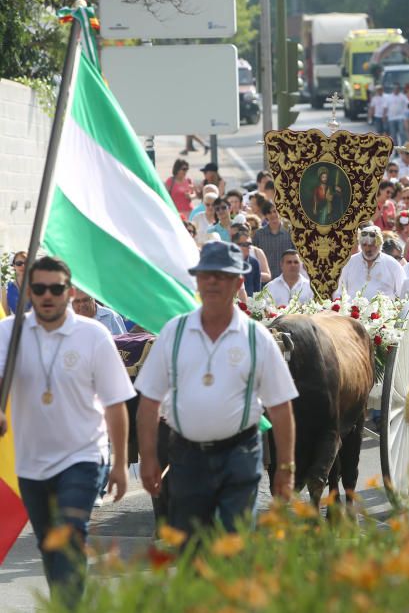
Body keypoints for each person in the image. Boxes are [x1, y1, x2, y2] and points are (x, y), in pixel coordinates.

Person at [136, 241, 298, 537]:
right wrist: (148, 457)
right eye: (206, 274)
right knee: (191, 545)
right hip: (186, 456)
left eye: (222, 275)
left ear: (238, 282)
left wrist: (286, 467)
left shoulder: (255, 337)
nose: (212, 281)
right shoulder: (174, 332)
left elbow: (280, 406)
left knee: (232, 546)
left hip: (240, 455)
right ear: (197, 280)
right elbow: (148, 401)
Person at [0, 256, 133, 607]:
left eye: (56, 288)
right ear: (28, 291)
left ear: (69, 291)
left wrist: (119, 463)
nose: (47, 295)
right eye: (39, 288)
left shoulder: (94, 335)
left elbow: (116, 402)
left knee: (69, 537)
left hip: (84, 455)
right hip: (32, 462)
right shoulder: (9, 332)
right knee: (49, 545)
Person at [337, 226, 404, 300]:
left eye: (371, 245)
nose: (367, 249)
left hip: (382, 310)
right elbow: (339, 291)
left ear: (379, 244)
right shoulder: (349, 263)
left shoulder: (392, 265)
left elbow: (402, 293)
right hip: (353, 310)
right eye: (364, 245)